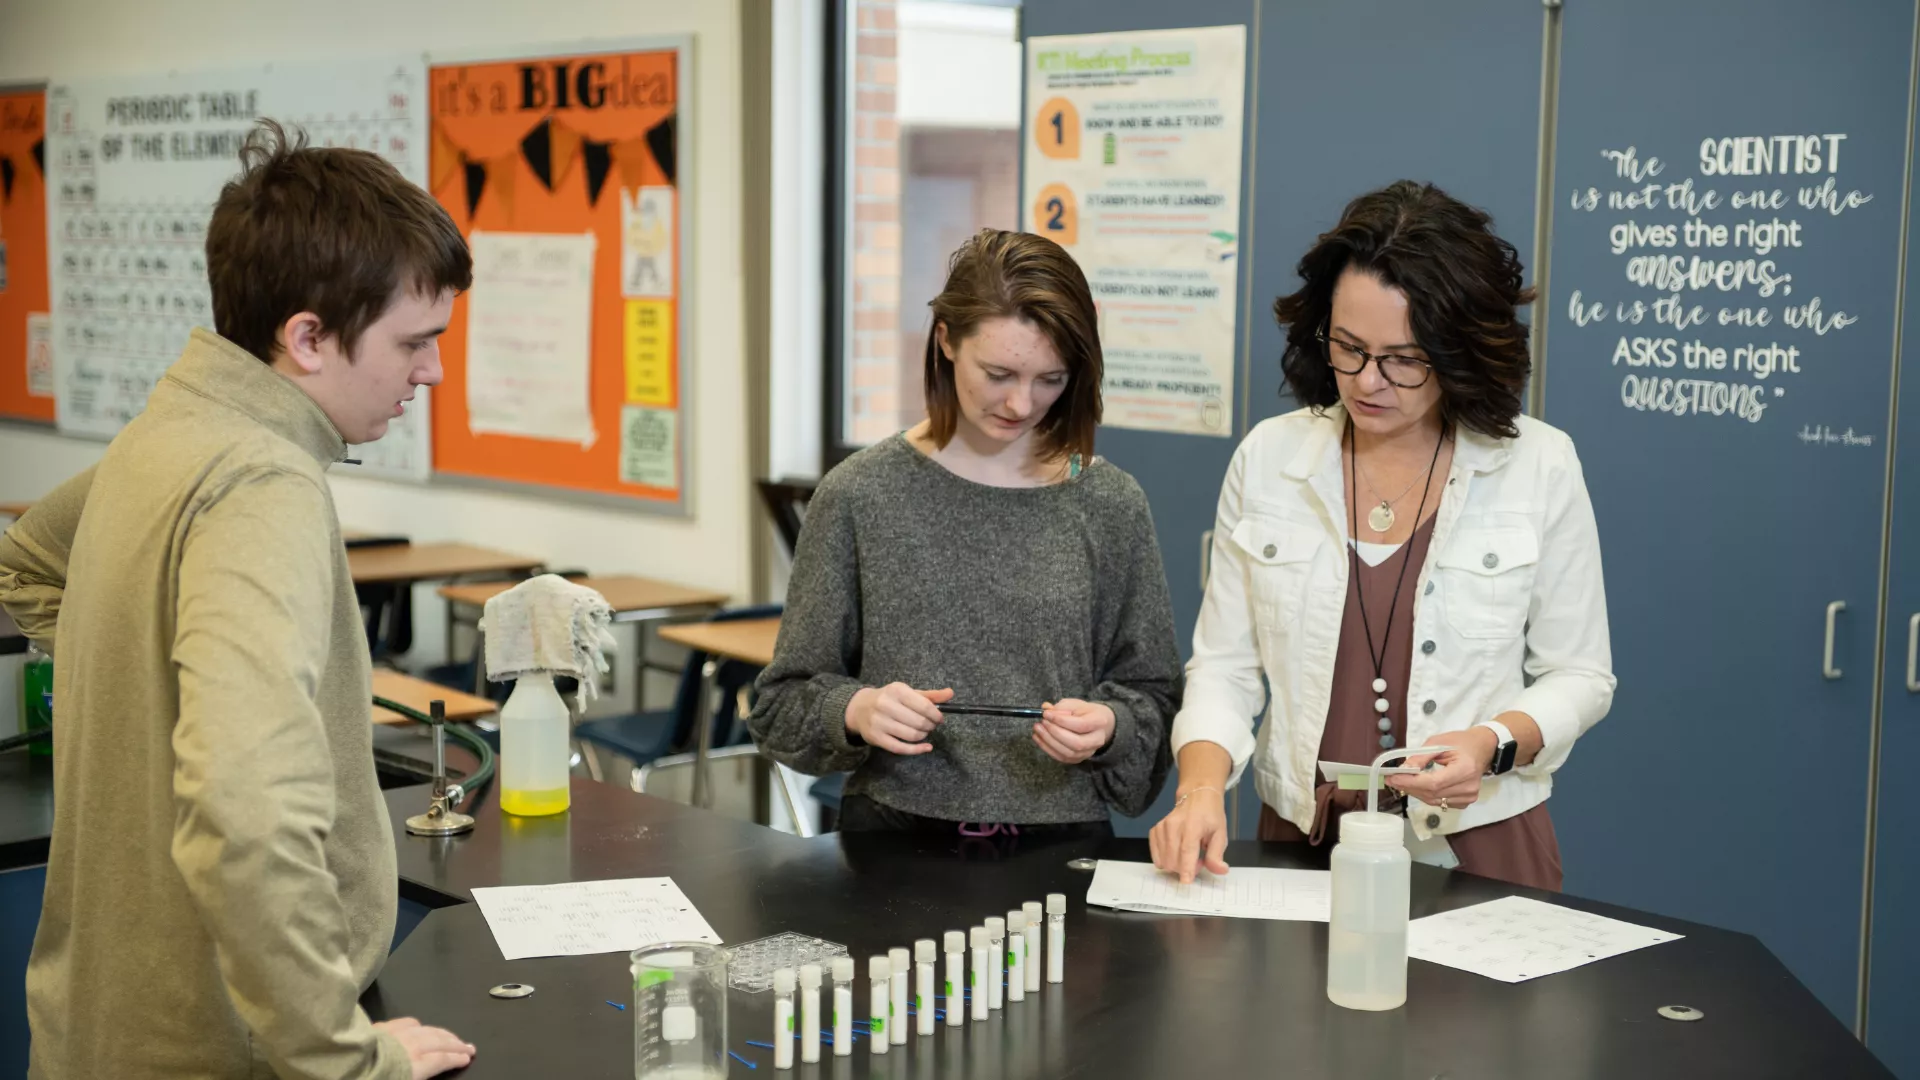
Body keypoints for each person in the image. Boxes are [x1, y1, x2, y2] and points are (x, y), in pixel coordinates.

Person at [0, 121, 476, 1079]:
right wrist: (346, 1060)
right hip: (215, 1047)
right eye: (414, 343)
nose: (430, 371)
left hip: (96, 1029)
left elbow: (26, 565)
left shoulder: (175, 427)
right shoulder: (264, 484)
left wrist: (149, 694)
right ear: (307, 337)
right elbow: (248, 814)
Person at [1149, 181, 1614, 891]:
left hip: (1477, 843)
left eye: (1403, 358)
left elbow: (1580, 676)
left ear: (1458, 350)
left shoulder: (1537, 465)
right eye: (1349, 348)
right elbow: (1225, 668)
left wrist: (1490, 745)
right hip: (1303, 841)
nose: (1368, 382)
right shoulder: (1271, 458)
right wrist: (1200, 791)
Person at [751, 228, 1182, 839]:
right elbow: (780, 705)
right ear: (946, 340)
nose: (1021, 404)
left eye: (1051, 379)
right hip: (892, 843)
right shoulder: (860, 494)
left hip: (1061, 847)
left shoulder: (1110, 503)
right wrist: (855, 709)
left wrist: (1111, 727)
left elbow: (1155, 698)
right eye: (999, 373)